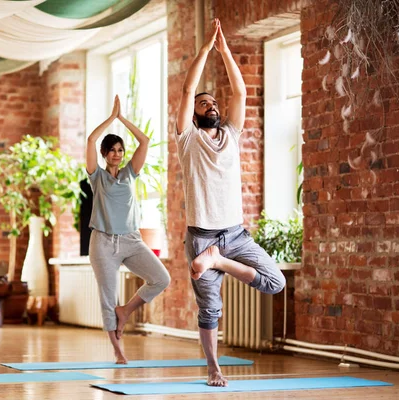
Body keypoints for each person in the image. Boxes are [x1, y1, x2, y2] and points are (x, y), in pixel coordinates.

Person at [176, 19, 286, 386]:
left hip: (235, 236)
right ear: (193, 114)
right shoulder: (188, 139)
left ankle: (218, 262)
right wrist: (206, 49)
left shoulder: (231, 135)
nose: (211, 105)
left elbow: (240, 93)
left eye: (213, 102)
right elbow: (188, 88)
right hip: (202, 236)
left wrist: (226, 52)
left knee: (275, 282)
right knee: (210, 309)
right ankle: (213, 368)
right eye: (203, 103)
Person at [86, 95, 170, 364]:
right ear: (104, 154)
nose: (117, 154)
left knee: (161, 278)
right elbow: (89, 141)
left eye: (120, 150)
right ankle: (118, 352)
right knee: (107, 297)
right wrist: (110, 118)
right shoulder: (96, 176)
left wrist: (123, 119)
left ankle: (126, 311)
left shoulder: (130, 173)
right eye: (112, 150)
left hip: (132, 240)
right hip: (103, 243)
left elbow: (144, 141)